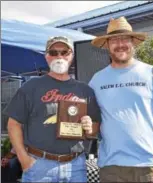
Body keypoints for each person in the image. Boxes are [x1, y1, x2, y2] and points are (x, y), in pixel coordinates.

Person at [89, 16, 153, 182]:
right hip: (111, 167)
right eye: (114, 40)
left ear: (133, 42)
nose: (120, 44)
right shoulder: (96, 81)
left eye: (124, 39)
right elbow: (91, 120)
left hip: (150, 166)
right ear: (107, 45)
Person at [4, 36, 101, 182]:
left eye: (64, 52)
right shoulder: (31, 87)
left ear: (71, 56)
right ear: (47, 57)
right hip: (39, 167)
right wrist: (24, 159)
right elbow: (13, 124)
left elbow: (95, 128)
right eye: (54, 52)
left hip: (76, 166)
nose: (59, 56)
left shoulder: (85, 90)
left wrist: (89, 127)